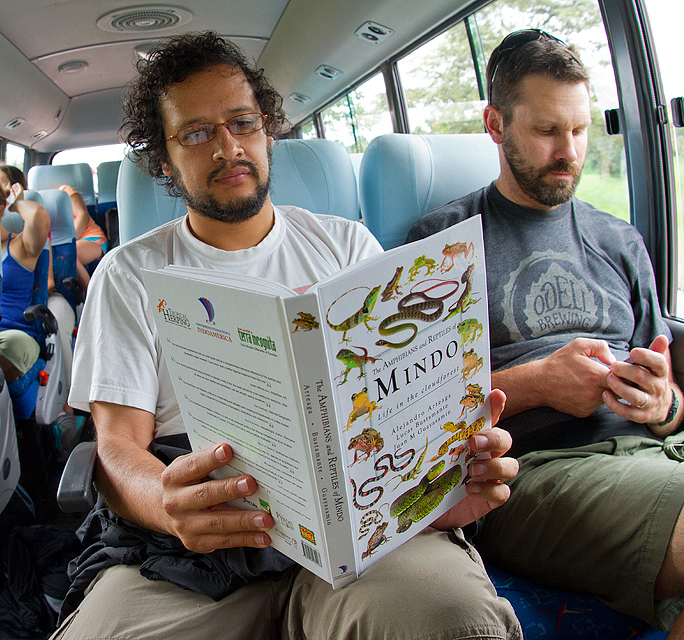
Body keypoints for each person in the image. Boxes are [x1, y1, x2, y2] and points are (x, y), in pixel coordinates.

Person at [58, 32, 521, 640]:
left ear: (267, 130)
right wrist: (168, 506)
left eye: (242, 122)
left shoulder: (347, 247)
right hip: (193, 537)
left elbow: (394, 406)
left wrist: (439, 491)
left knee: (456, 622)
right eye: (196, 133)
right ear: (165, 162)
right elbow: (117, 448)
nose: (228, 147)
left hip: (354, 518)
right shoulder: (129, 274)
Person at [406, 29, 684, 634]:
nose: (570, 152)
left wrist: (662, 402)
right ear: (496, 124)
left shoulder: (620, 239)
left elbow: (671, 395)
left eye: (580, 130)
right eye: (546, 131)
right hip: (532, 474)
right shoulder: (439, 247)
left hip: (654, 451)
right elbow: (409, 414)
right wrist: (536, 384)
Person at [0, 163, 76, 390]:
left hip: (47, 297)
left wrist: (17, 202)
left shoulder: (23, 241)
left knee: (58, 324)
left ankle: (68, 403)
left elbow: (48, 282)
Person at [0, 176, 51, 384]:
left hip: (14, 334)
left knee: (0, 353)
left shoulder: (20, 246)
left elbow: (39, 215)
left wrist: (17, 203)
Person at [58, 183, 107, 291]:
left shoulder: (65, 191)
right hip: (68, 242)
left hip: (92, 238)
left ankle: (90, 293)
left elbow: (82, 215)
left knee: (69, 253)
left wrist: (70, 241)